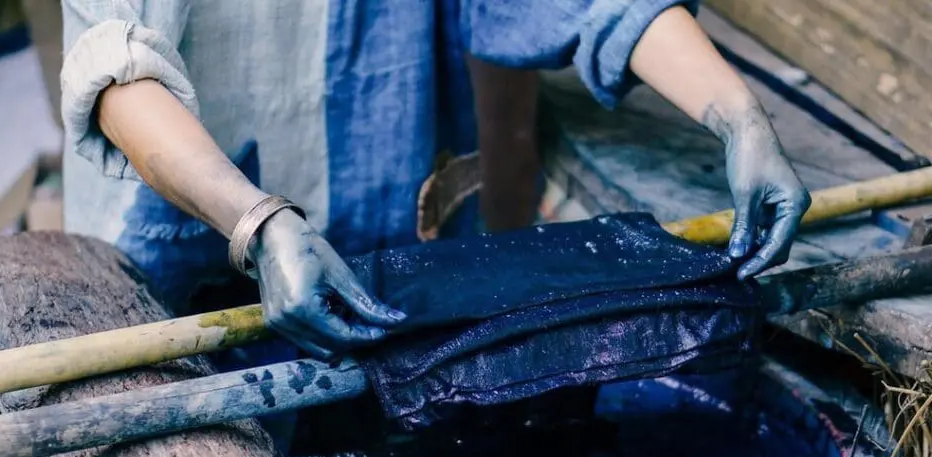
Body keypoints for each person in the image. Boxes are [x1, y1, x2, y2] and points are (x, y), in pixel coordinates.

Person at [60, 1, 810, 365]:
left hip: (388, 269)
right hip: (184, 263)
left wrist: (738, 115)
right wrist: (258, 224)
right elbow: (118, 77)